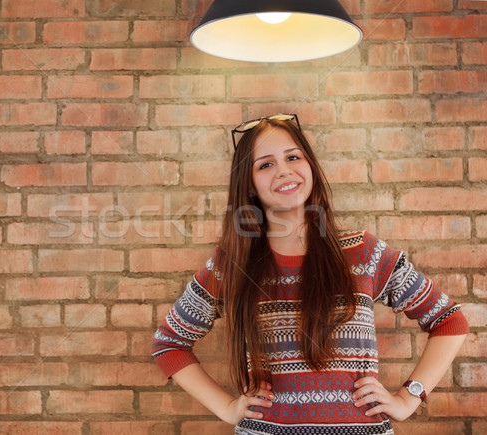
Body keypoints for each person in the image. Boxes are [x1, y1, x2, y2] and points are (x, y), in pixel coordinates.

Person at [151, 114, 469, 434]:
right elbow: (170, 343)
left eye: (292, 157)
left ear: (310, 166)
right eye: (265, 165)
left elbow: (450, 321)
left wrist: (408, 397)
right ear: (248, 184)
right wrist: (226, 407)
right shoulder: (231, 264)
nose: (284, 170)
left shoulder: (363, 252)